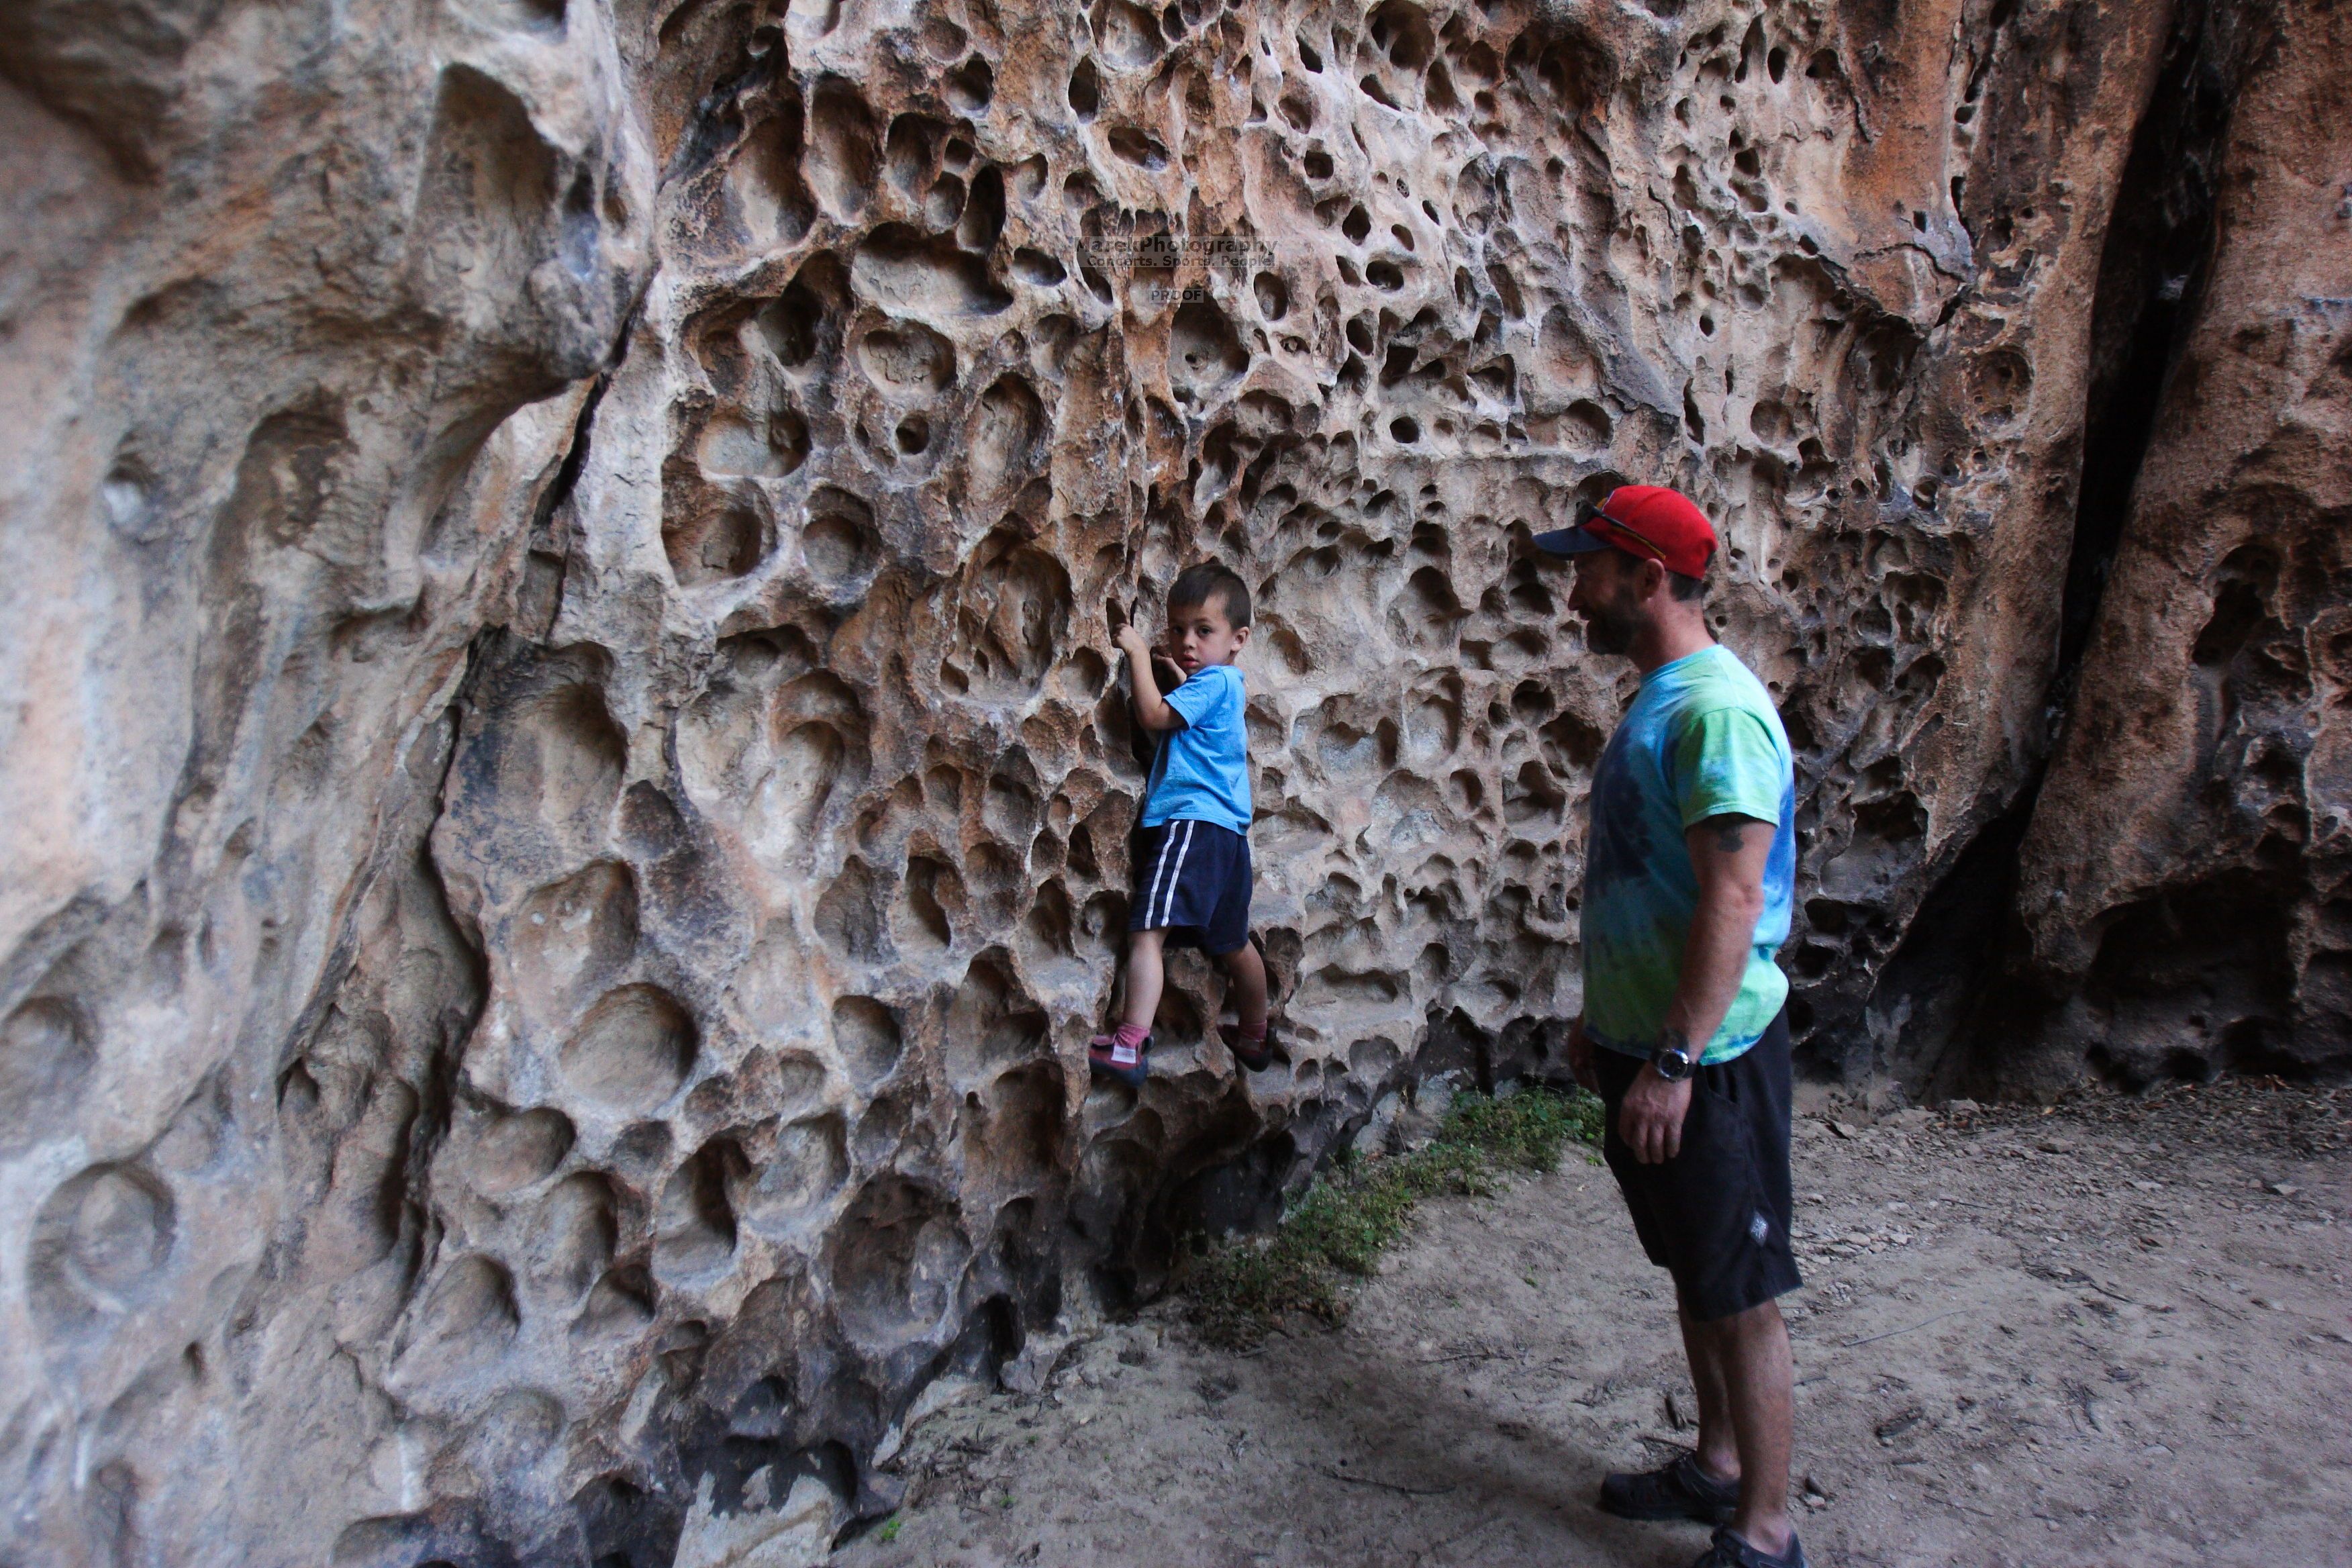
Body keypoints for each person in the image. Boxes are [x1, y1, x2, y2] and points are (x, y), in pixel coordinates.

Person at [1536, 485, 1807, 1568]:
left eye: (1588, 568)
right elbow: (1647, 884)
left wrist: (1672, 1057)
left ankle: (1765, 1530)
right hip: (1645, 1040)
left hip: (1710, 1060)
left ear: (1646, 579)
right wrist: (1605, 1020)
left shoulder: (1715, 713)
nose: (1573, 589)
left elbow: (1732, 900)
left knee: (1738, 1292)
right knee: (1698, 1269)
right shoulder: (1662, 698)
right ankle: (1715, 1467)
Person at [1089, 562, 1275, 1087]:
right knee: (1234, 942)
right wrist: (1177, 675)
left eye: (1203, 631)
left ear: (1238, 639)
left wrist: (1138, 655)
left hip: (1190, 825)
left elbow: (1152, 716)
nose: (1186, 642)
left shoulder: (1211, 682)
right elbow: (1188, 722)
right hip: (1228, 840)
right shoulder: (1227, 685)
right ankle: (1257, 1033)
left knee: (1146, 932)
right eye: (1176, 629)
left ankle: (1128, 1045)